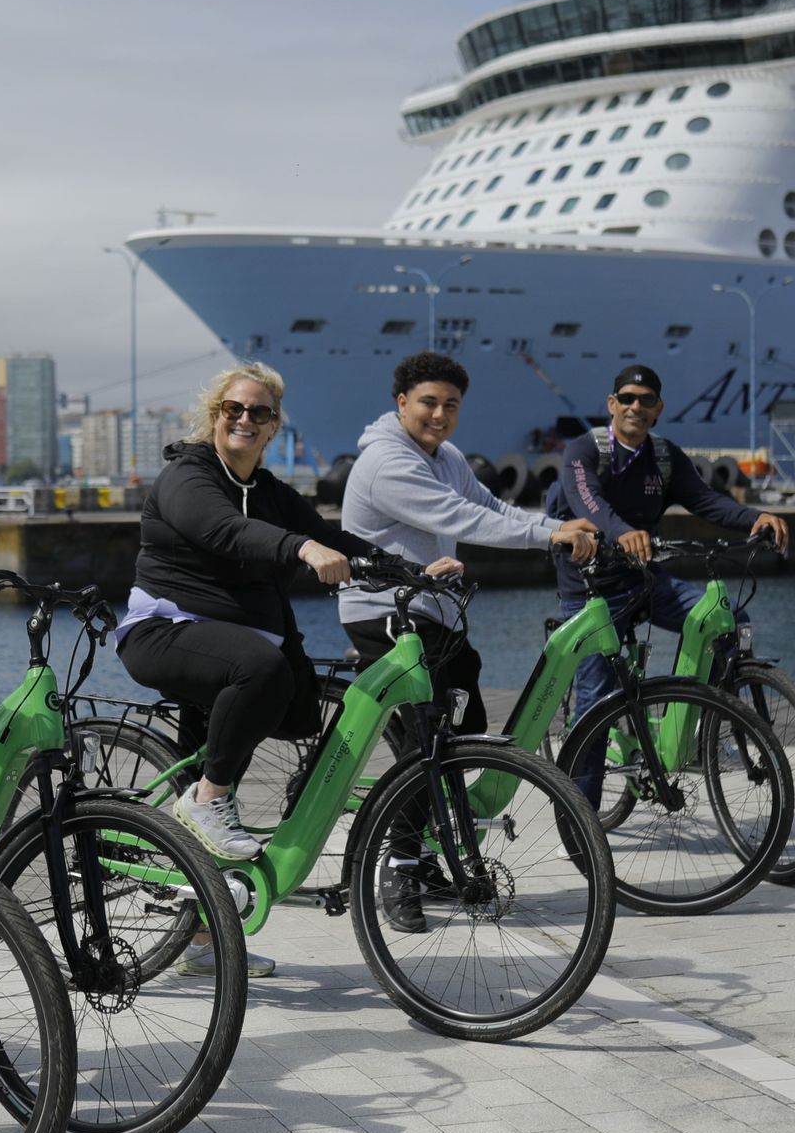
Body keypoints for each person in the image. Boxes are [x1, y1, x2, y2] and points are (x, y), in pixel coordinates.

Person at [117, 363, 454, 977]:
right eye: (234, 409)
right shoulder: (188, 474)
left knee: (289, 705)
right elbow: (225, 530)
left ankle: (201, 939)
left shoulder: (269, 491)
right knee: (259, 673)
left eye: (260, 412)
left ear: (274, 426)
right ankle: (207, 798)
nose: (245, 419)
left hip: (233, 647)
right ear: (216, 414)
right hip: (165, 632)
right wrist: (300, 548)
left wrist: (408, 571)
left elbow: (330, 535)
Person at [339, 351, 595, 931]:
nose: (439, 415)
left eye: (450, 405)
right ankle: (400, 865)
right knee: (426, 743)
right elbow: (463, 519)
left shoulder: (447, 457)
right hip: (384, 613)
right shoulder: (386, 462)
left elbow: (490, 506)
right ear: (401, 403)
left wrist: (553, 525)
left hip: (436, 612)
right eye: (428, 403)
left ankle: (433, 847)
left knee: (466, 729)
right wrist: (547, 536)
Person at [544, 364, 790, 720]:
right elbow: (588, 501)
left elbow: (705, 499)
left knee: (728, 619)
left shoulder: (664, 457)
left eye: (646, 400)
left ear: (658, 408)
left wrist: (756, 517)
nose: (636, 407)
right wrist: (623, 532)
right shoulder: (584, 451)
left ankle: (707, 724)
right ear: (612, 404)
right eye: (627, 398)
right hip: (590, 591)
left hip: (643, 581)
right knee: (597, 701)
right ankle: (584, 759)